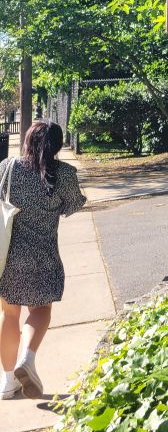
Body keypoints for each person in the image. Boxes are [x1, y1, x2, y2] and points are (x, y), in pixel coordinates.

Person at [0, 120, 86, 400]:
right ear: (57, 145)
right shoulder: (64, 173)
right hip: (43, 256)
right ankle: (28, 358)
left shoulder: (8, 167)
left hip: (7, 257)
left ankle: (7, 381)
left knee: (9, 314)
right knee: (40, 310)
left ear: (28, 140)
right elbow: (73, 205)